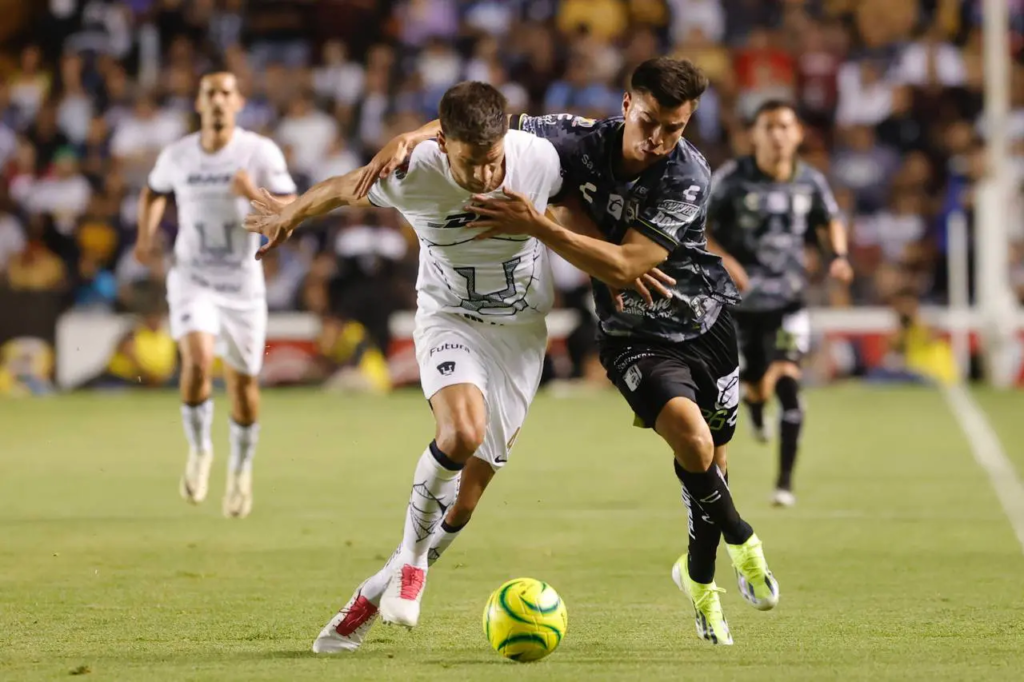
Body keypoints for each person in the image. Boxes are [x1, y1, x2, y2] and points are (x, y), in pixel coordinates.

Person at [362, 57, 777, 646]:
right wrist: (411, 135)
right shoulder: (572, 138)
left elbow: (627, 264)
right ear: (627, 105)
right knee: (693, 441)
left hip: (705, 319)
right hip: (633, 334)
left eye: (675, 127)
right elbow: (484, 125)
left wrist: (539, 223)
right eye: (650, 121)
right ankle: (743, 538)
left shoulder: (687, 174)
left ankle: (700, 577)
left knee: (713, 464)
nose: (658, 139)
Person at [245, 81, 668, 653]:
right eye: (471, 164)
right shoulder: (411, 172)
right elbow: (344, 188)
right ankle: (412, 566)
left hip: (519, 335)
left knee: (465, 500)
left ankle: (371, 594)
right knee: (461, 433)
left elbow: (569, 205)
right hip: (450, 320)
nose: (485, 176)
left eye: (492, 161)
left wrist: (609, 266)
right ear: (443, 144)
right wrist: (289, 212)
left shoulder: (536, 158)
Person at [135, 71, 297, 518]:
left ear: (239, 102)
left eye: (227, 93)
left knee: (242, 384)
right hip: (193, 277)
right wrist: (145, 236)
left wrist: (251, 193)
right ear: (199, 103)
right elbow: (153, 192)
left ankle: (241, 469)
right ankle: (200, 449)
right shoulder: (178, 154)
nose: (219, 100)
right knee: (198, 360)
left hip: (242, 283)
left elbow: (293, 206)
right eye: (211, 93)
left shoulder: (259, 152)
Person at [704, 100, 852, 507]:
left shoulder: (810, 181)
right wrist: (725, 260)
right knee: (752, 385)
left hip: (789, 301)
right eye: (768, 127)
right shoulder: (731, 179)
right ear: (754, 135)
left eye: (785, 126)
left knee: (787, 379)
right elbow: (699, 228)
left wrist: (838, 256)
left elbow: (830, 219)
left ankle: (784, 483)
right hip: (741, 304)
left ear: (798, 133)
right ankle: (754, 406)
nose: (777, 135)